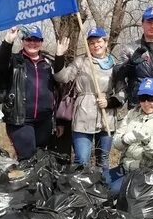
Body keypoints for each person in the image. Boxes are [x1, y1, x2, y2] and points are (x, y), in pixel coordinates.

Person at [53, 27, 125, 182]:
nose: (95, 45)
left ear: (106, 43)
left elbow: (122, 94)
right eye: (91, 42)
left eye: (99, 41)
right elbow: (61, 78)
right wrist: (59, 56)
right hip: (83, 117)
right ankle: (82, 194)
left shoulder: (115, 65)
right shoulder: (81, 62)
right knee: (82, 161)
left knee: (103, 161)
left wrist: (109, 102)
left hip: (107, 119)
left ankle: (103, 193)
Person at [109, 78, 153, 195]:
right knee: (97, 188)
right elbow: (116, 143)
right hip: (126, 169)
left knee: (119, 194)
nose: (146, 103)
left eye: (151, 99)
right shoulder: (132, 114)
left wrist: (148, 141)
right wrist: (124, 140)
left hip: (150, 174)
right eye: (142, 98)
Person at [0, 25, 56, 160]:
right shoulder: (15, 60)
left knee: (40, 157)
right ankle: (25, 180)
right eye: (28, 39)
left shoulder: (48, 63)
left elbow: (59, 85)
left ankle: (37, 181)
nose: (32, 43)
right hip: (21, 120)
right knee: (27, 157)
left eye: (36, 40)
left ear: (41, 42)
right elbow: (0, 65)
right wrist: (7, 42)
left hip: (44, 120)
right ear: (23, 41)